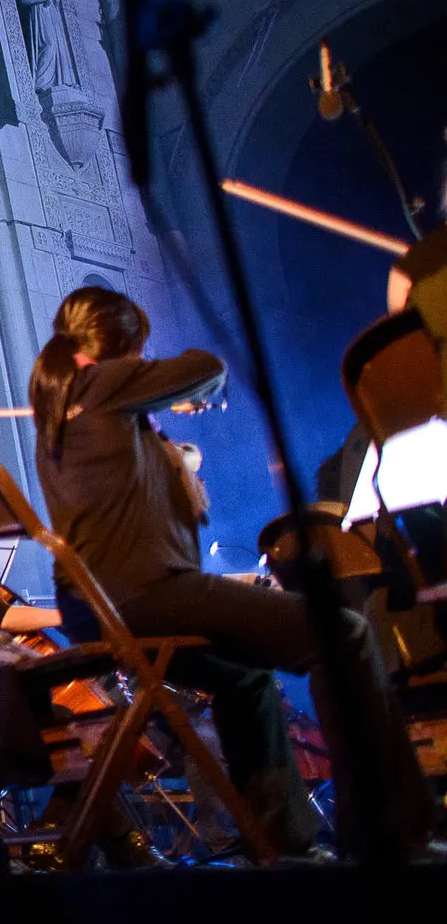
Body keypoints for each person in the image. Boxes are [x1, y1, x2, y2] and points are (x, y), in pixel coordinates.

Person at [31, 285, 436, 858]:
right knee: (342, 633)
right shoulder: (99, 381)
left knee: (244, 679)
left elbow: (141, 480)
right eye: (140, 353)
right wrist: (169, 389)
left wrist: (157, 409)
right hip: (145, 593)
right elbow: (207, 366)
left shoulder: (65, 408)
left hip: (101, 605)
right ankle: (385, 832)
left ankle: (284, 843)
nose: (144, 365)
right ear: (116, 346)